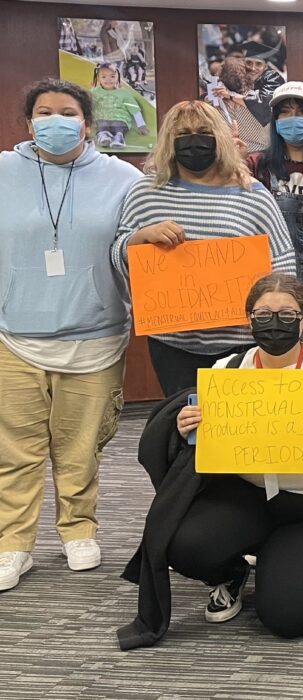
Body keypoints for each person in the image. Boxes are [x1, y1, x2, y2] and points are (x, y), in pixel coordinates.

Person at [161, 273, 303, 638]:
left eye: (287, 314)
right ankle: (233, 573)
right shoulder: (229, 371)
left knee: (289, 617)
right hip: (251, 496)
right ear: (248, 318)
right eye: (263, 314)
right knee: (179, 542)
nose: (274, 323)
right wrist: (189, 425)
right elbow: (214, 447)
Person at [0, 79, 142, 592]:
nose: (55, 121)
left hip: (96, 333)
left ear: (86, 122)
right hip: (14, 334)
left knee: (81, 445)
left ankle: (78, 528)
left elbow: (134, 246)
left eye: (67, 112)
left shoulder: (123, 178)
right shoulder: (3, 172)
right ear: (28, 121)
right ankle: (13, 543)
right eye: (44, 112)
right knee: (17, 449)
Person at [111, 100, 296, 396]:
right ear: (169, 142)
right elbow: (118, 256)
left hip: (241, 344)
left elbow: (283, 264)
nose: (193, 140)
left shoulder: (253, 195)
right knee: (186, 430)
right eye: (182, 133)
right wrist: (140, 237)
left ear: (220, 138)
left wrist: (272, 316)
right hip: (173, 346)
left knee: (238, 432)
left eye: (203, 131)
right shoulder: (146, 192)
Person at [247, 82, 303, 348]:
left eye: (301, 112)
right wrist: (233, 161)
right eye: (284, 112)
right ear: (274, 121)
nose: (292, 119)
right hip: (267, 279)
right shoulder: (257, 165)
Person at [90, 63, 148, 149]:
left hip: (120, 119)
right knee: (102, 125)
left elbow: (134, 108)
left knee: (119, 126)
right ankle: (103, 136)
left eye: (112, 77)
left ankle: (119, 138)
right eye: (104, 77)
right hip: (102, 119)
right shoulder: (94, 93)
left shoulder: (124, 93)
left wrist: (141, 125)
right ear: (98, 78)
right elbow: (88, 106)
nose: (108, 80)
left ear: (118, 78)